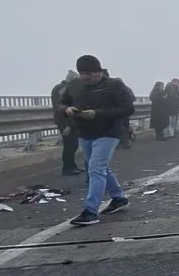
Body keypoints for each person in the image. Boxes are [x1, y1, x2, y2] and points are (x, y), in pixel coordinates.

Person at [57, 55, 134, 227]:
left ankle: (90, 211)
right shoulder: (75, 86)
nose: (86, 77)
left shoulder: (114, 85)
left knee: (95, 168)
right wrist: (67, 109)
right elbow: (61, 104)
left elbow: (128, 108)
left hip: (109, 132)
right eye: (82, 73)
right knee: (101, 168)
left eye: (90, 73)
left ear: (99, 71)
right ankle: (119, 198)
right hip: (85, 132)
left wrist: (97, 113)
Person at [52, 71, 82, 176]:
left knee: (72, 144)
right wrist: (68, 125)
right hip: (65, 121)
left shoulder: (59, 88)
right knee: (70, 145)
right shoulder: (64, 89)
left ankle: (72, 166)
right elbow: (63, 107)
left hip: (66, 120)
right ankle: (68, 168)